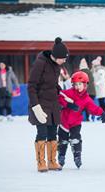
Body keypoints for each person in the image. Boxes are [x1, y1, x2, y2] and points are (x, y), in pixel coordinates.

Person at [28, 37, 69, 172]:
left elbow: (53, 84)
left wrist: (62, 94)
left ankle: (52, 161)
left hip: (53, 104)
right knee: (42, 132)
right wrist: (36, 106)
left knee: (53, 133)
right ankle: (41, 162)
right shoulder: (41, 63)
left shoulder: (57, 66)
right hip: (41, 104)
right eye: (63, 58)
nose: (64, 60)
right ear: (55, 56)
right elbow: (31, 86)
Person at [57, 71, 105, 169]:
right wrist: (68, 104)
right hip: (64, 121)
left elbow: (93, 108)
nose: (78, 86)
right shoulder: (69, 92)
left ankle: (77, 156)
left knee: (75, 139)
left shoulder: (86, 98)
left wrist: (102, 114)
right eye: (75, 84)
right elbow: (60, 97)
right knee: (63, 141)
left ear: (85, 85)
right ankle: (61, 156)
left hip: (76, 122)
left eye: (80, 84)